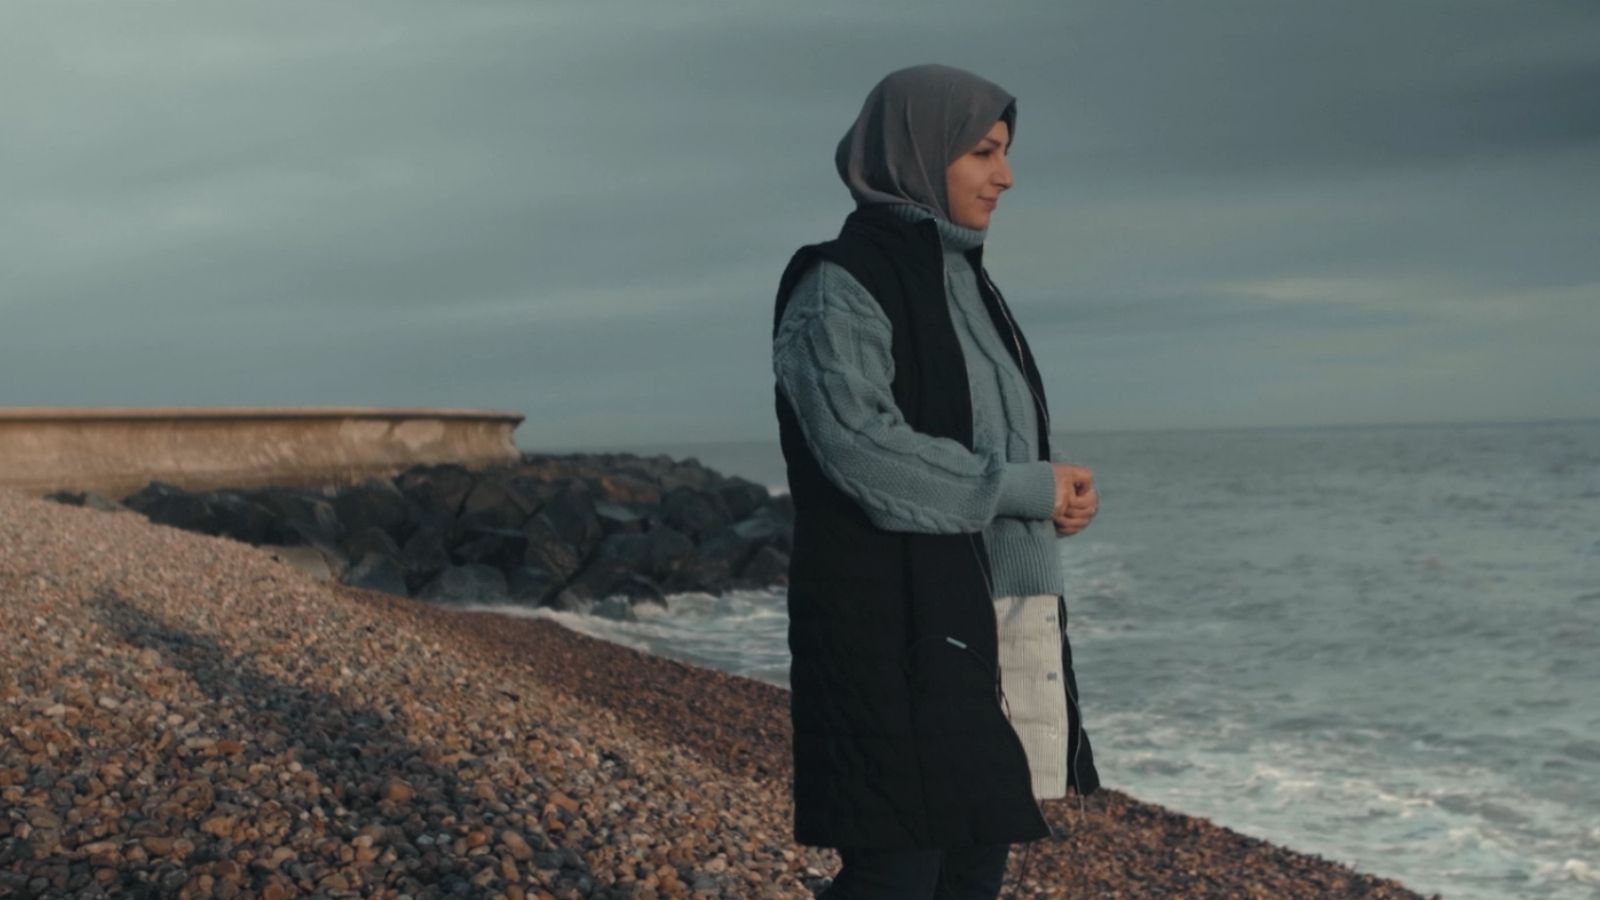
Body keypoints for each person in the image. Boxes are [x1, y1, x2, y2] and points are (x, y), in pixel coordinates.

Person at [770, 64, 1102, 899]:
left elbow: (990, 447)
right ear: (916, 152)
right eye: (983, 152)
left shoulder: (973, 287)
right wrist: (1026, 487)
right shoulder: (836, 284)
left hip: (988, 613)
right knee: (899, 869)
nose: (1006, 176)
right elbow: (864, 453)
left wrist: (1056, 500)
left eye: (1007, 152)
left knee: (973, 859)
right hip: (889, 623)